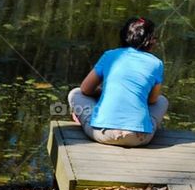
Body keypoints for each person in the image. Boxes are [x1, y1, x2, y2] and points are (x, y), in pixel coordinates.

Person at [67, 16, 168, 148]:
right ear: (150, 41)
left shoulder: (110, 55)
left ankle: (85, 119)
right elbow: (152, 100)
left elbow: (85, 89)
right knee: (162, 101)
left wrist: (103, 92)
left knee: (75, 93)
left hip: (103, 134)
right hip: (138, 138)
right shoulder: (156, 63)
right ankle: (145, 124)